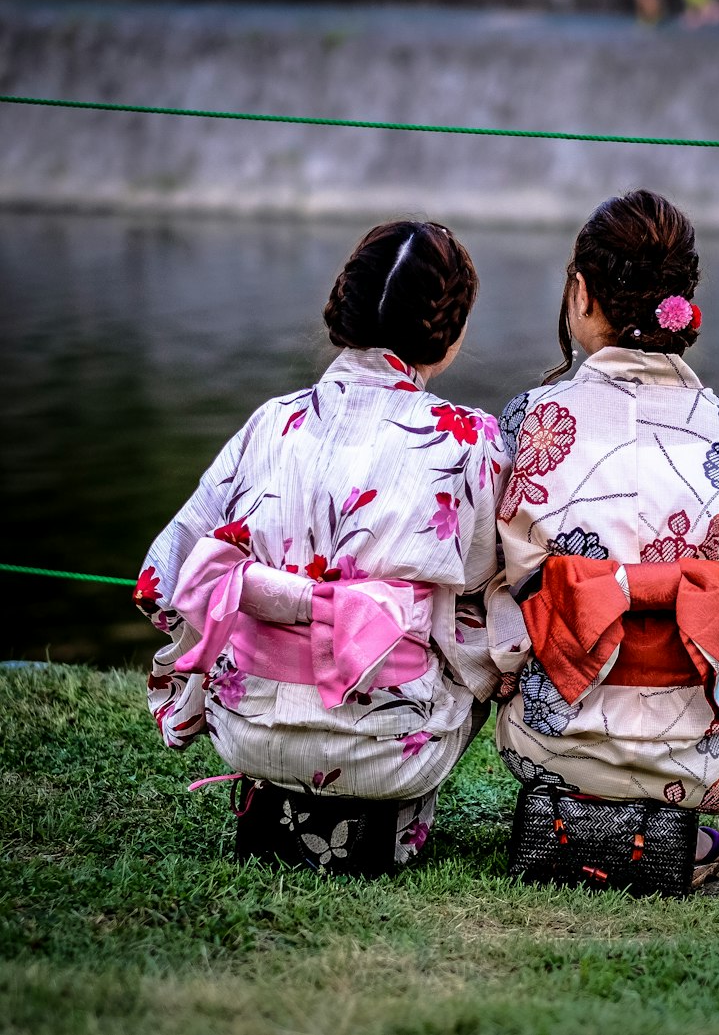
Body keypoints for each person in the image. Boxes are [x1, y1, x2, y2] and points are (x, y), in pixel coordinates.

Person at [133, 220, 510, 875]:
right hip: (391, 748)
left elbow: (159, 582)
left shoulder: (271, 421)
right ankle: (395, 814)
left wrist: (251, 617)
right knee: (493, 621)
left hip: (247, 730)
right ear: (450, 335)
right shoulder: (469, 441)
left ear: (343, 309)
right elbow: (483, 599)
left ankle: (276, 785)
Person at [487, 190, 719, 887]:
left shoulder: (529, 419)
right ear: (683, 303)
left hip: (553, 739)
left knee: (505, 591)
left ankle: (584, 815)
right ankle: (671, 832)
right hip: (707, 761)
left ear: (582, 292)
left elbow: (503, 573)